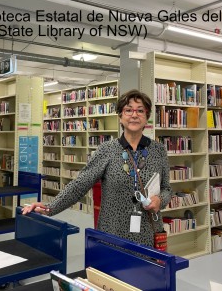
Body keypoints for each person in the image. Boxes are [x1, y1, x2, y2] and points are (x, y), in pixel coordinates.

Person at [22, 89, 172, 247]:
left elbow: (167, 189)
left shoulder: (158, 150)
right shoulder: (106, 150)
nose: (134, 115)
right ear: (120, 116)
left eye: (140, 110)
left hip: (148, 233)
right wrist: (49, 207)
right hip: (113, 232)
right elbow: (80, 184)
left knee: (146, 272)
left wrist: (160, 200)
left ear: (147, 117)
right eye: (128, 110)